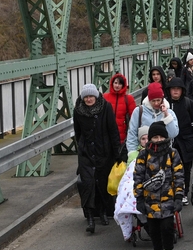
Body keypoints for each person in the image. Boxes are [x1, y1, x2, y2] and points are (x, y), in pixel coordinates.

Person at [134, 121, 185, 250]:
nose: (158, 140)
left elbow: (179, 175)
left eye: (161, 137)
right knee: (154, 230)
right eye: (155, 137)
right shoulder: (144, 155)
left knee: (167, 228)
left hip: (168, 199)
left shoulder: (172, 153)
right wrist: (139, 198)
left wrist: (178, 197)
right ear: (150, 139)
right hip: (150, 200)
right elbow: (138, 176)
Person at [73, 83, 123, 233]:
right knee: (88, 184)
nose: (88, 99)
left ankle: (102, 212)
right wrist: (81, 149)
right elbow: (78, 132)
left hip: (103, 153)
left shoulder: (105, 107)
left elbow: (113, 130)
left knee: (102, 184)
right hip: (86, 154)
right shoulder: (78, 111)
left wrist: (116, 154)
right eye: (86, 97)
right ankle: (90, 217)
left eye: (91, 96)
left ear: (96, 96)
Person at [166, 77, 193, 207]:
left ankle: (183, 193)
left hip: (186, 141)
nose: (175, 91)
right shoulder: (165, 104)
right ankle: (171, 192)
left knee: (185, 169)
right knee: (169, 168)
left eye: (178, 89)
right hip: (170, 142)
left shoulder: (189, 103)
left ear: (182, 90)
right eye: (173, 89)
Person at [125, 82, 179, 156]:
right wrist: (132, 154)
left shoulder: (170, 112)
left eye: (158, 100)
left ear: (162, 99)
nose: (156, 103)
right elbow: (132, 134)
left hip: (164, 155)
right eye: (153, 101)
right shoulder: (139, 111)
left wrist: (166, 115)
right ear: (148, 99)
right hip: (144, 155)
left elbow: (173, 134)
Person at [104, 72, 137, 145]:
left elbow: (134, 117)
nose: (117, 85)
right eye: (115, 83)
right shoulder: (105, 97)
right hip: (107, 134)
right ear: (112, 83)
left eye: (120, 84)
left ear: (123, 85)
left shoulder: (128, 99)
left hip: (122, 134)